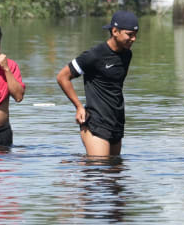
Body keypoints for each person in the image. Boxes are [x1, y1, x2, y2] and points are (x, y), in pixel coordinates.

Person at [56, 10, 139, 156]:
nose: (134, 39)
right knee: (99, 170)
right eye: (129, 34)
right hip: (96, 122)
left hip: (116, 122)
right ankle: (75, 169)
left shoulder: (127, 54)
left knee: (114, 174)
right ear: (115, 31)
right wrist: (79, 107)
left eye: (135, 35)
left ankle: (78, 164)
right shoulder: (94, 55)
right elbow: (62, 77)